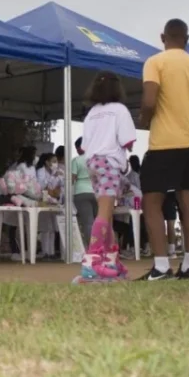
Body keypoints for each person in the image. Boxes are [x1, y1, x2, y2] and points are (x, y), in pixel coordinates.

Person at [138, 19, 189, 281]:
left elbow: (149, 100)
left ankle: (161, 266)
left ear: (163, 37)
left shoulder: (155, 62)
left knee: (152, 201)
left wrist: (144, 120)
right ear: (187, 39)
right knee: (188, 199)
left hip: (165, 142)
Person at [75, 71, 137, 283]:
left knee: (107, 213)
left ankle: (110, 258)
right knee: (104, 212)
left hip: (92, 163)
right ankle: (92, 261)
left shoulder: (92, 113)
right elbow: (127, 140)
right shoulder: (119, 110)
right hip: (110, 162)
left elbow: (84, 145)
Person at [70, 137, 97, 248]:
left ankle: (91, 248)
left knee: (88, 222)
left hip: (81, 192)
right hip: (96, 192)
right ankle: (101, 247)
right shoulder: (95, 159)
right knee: (98, 221)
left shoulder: (76, 160)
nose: (76, 150)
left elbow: (72, 179)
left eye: (77, 148)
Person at [35, 153, 60, 260]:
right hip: (43, 199)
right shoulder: (40, 171)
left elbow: (53, 186)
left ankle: (51, 251)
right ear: (47, 162)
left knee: (52, 227)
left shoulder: (52, 172)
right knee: (46, 227)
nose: (55, 163)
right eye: (53, 161)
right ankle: (46, 251)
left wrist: (56, 176)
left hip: (52, 200)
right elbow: (42, 185)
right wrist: (53, 177)